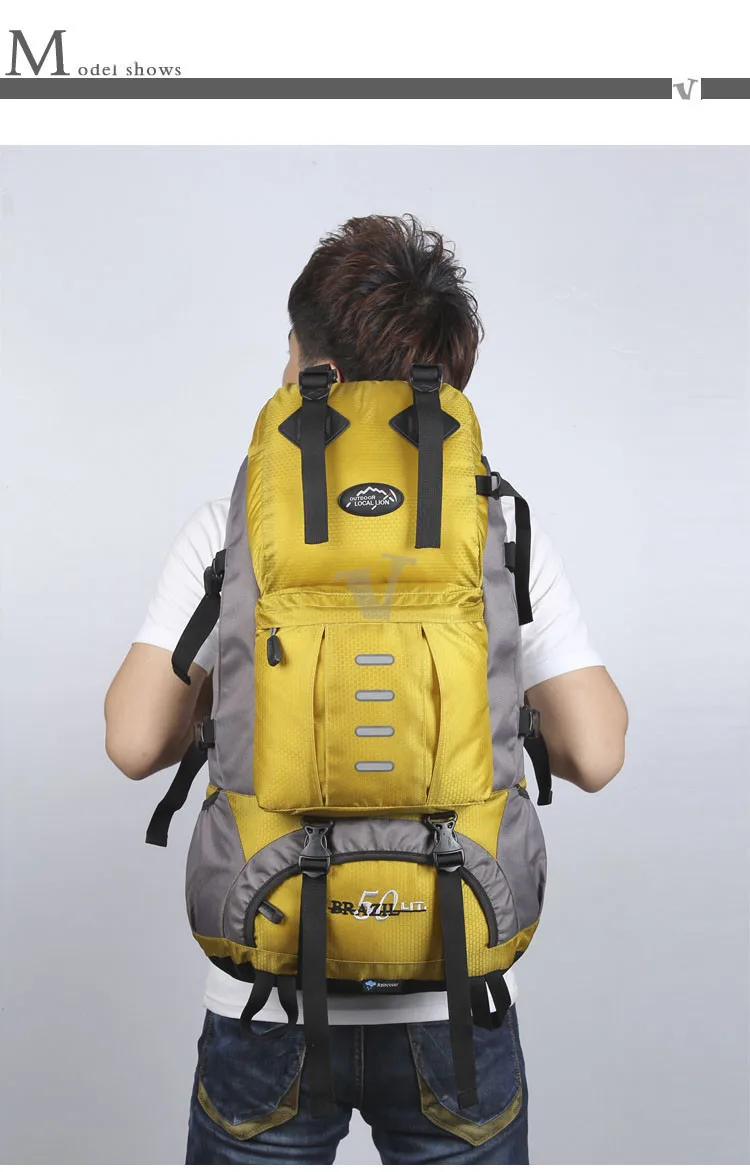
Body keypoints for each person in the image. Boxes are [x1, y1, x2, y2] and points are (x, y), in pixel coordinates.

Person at [104, 213, 628, 1164]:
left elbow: (135, 743)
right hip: (458, 974)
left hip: (266, 983)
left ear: (305, 362)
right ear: (446, 380)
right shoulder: (501, 530)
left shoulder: (230, 526)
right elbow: (596, 753)